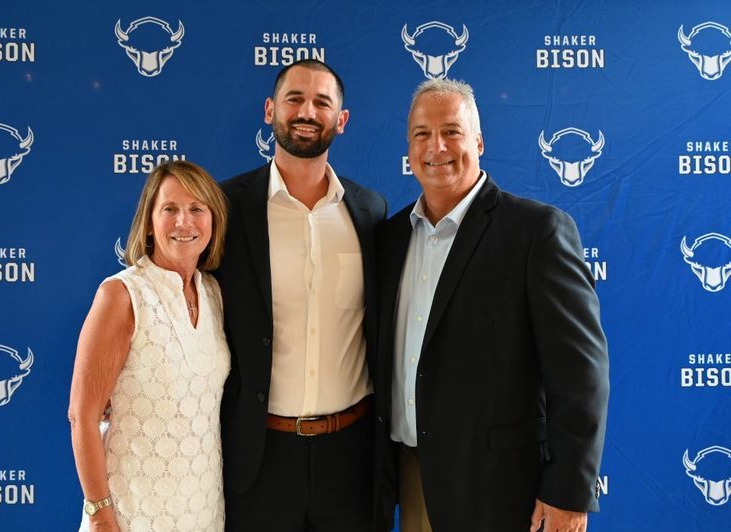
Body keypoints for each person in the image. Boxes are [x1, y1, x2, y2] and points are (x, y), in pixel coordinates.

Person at [374, 79, 610, 532]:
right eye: (422, 133)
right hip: (409, 479)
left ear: (478, 141)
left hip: (501, 487)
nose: (436, 146)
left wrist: (568, 491)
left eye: (451, 131)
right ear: (409, 148)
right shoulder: (391, 238)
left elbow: (581, 373)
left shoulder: (537, 231)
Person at [214, 59, 387, 531]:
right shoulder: (224, 206)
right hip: (258, 457)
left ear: (341, 120)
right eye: (294, 99)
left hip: (352, 458)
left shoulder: (370, 211)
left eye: (321, 102)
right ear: (270, 110)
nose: (306, 111)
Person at [69, 160, 230, 531]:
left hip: (202, 510)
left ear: (213, 220)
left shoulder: (214, 294)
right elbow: (83, 416)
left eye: (196, 209)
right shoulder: (123, 294)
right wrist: (100, 514)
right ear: (149, 223)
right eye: (169, 209)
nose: (183, 222)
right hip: (132, 514)